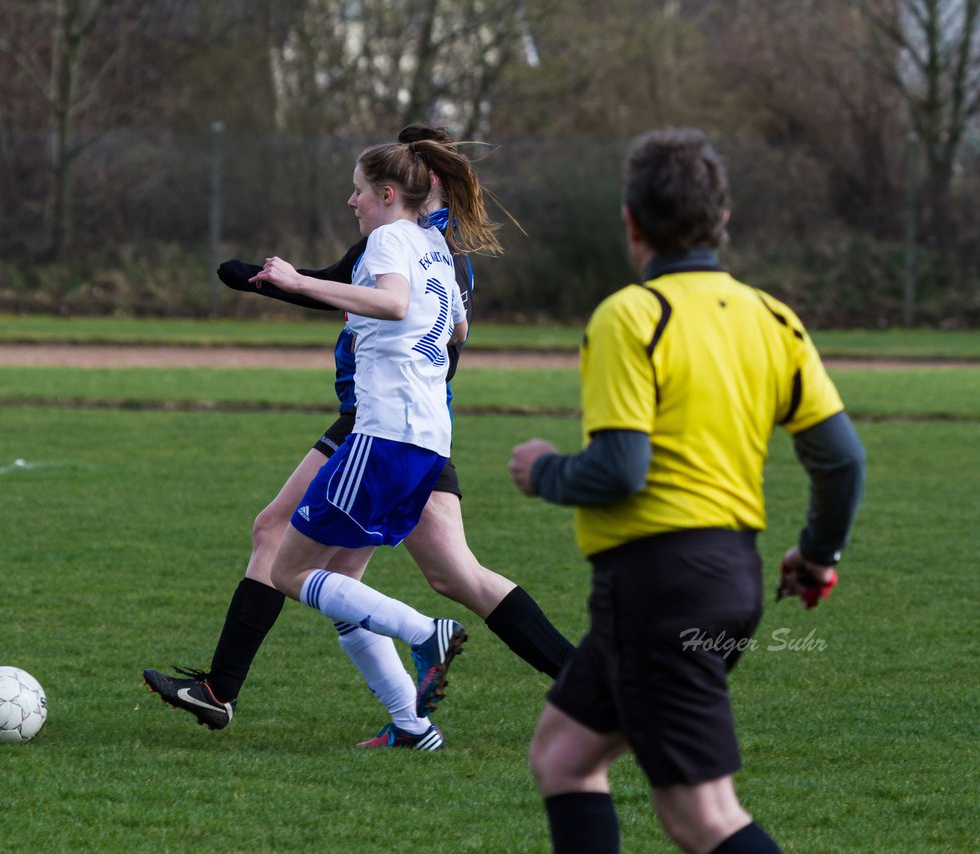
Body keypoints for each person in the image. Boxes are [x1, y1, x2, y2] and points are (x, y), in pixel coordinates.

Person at [145, 130, 573, 750]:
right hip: (408, 424)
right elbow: (370, 297)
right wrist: (272, 282)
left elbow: (389, 306)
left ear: (402, 184)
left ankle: (477, 659)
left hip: (384, 426)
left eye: (361, 189)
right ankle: (407, 722)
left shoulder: (410, 242)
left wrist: (298, 290)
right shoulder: (429, 247)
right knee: (361, 568)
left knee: (315, 556)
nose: (353, 200)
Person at [508, 129, 865, 853]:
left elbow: (619, 470)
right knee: (564, 758)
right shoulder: (773, 319)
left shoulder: (632, 316)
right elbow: (841, 461)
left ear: (630, 221)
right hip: (726, 578)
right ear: (722, 221)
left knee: (702, 816)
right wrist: (818, 555)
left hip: (658, 589)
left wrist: (543, 469)